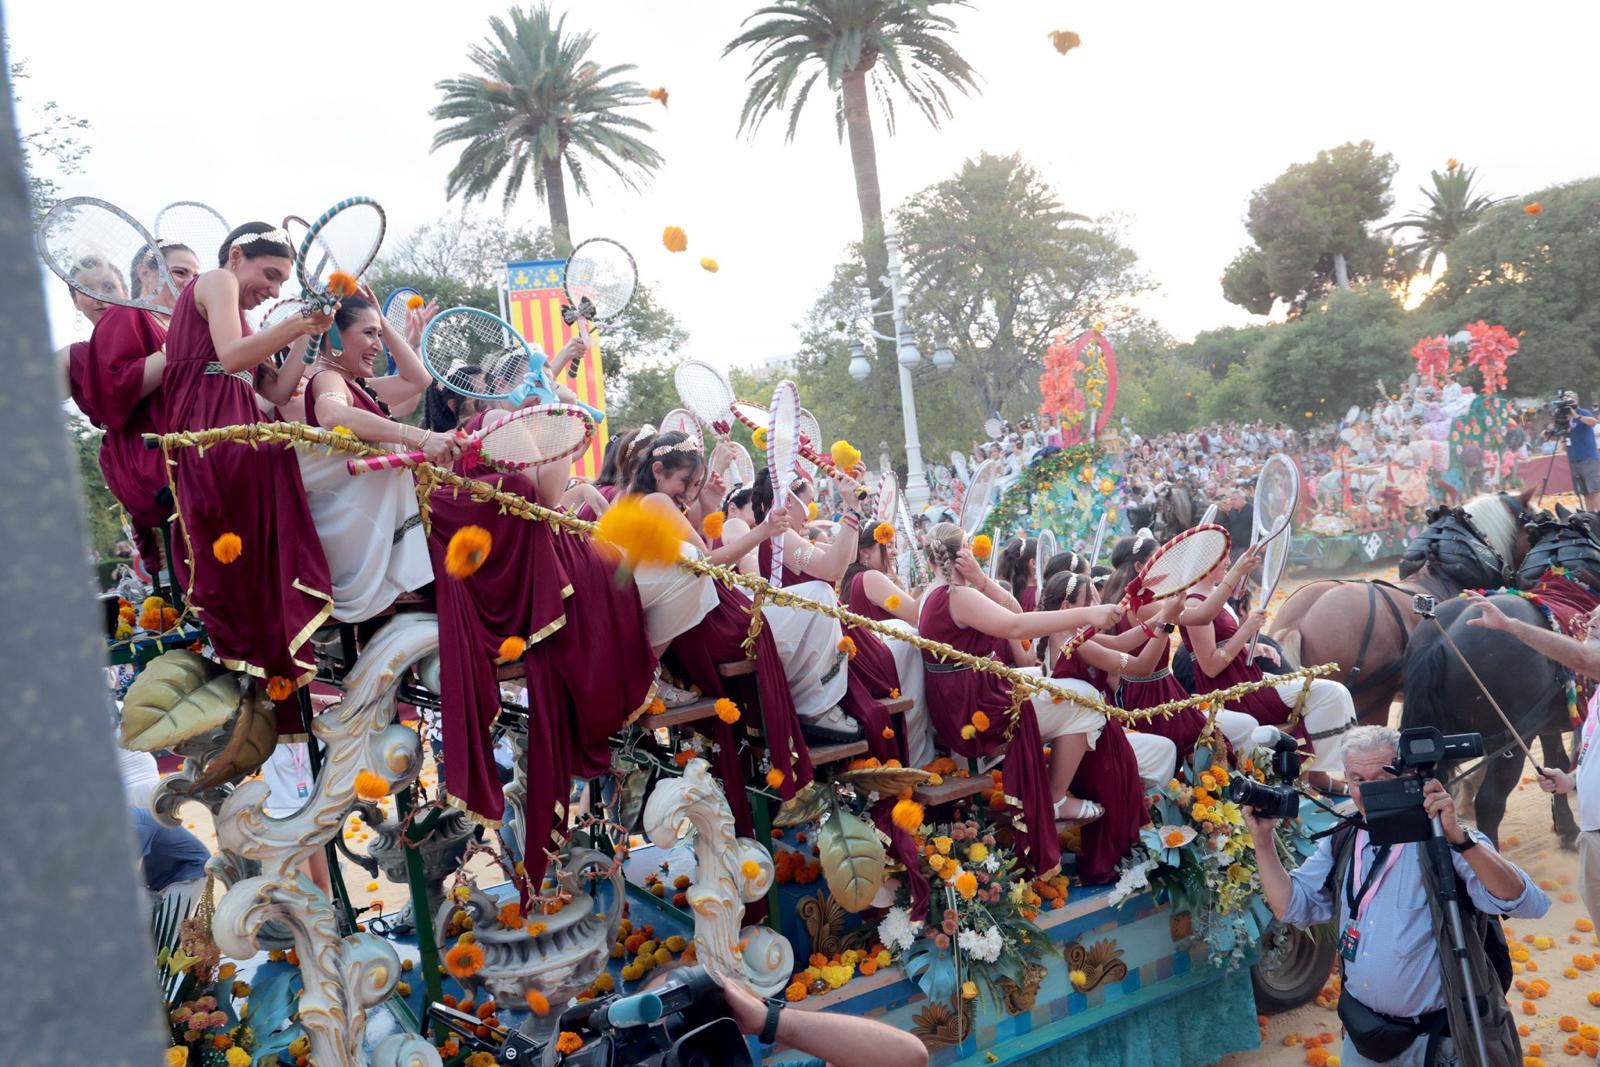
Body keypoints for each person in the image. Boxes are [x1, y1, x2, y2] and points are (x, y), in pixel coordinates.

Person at [1248, 725, 1548, 1066]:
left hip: (1440, 1040)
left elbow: (1529, 903)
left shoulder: (1442, 836)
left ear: (1409, 773)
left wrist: (1460, 839)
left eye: (1381, 776)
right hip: (1367, 1037)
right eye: (1358, 779)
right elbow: (1290, 906)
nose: (1368, 790)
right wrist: (1263, 841)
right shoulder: (1343, 836)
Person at [160, 222, 335, 750]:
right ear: (237, 256)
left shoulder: (239, 317)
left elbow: (279, 388)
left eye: (284, 282)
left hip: (239, 438)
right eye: (270, 275)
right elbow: (235, 359)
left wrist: (305, 334)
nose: (275, 291)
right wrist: (298, 319)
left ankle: (277, 692)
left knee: (266, 578)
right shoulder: (215, 280)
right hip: (214, 443)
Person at [916, 521, 1123, 875]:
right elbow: (1016, 627)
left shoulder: (930, 593)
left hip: (963, 699)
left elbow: (1012, 609)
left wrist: (982, 580)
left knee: (1047, 680)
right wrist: (1089, 613)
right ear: (962, 553)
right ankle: (1055, 796)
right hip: (977, 708)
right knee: (1089, 700)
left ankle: (1055, 789)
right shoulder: (955, 595)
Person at [293, 290, 454, 622]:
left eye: (379, 334)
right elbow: (331, 414)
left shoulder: (358, 385)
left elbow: (418, 379)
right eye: (369, 333)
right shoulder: (329, 378)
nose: (378, 345)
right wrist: (420, 438)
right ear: (336, 334)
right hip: (356, 531)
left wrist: (378, 317)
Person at [69, 241, 203, 580]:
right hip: (153, 455)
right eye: (88, 288)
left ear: (126, 287)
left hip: (190, 436)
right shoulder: (80, 353)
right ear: (74, 298)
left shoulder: (156, 322)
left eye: (109, 287)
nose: (100, 296)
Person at [1468, 594, 1600, 928]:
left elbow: (1583, 658)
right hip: (1592, 832)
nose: (1592, 622)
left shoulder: (1590, 665)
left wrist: (1511, 625)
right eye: (1593, 616)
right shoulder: (1597, 695)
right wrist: (1571, 781)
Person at [1181, 543, 1356, 789]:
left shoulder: (1215, 593)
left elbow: (1225, 642)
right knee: (1331, 693)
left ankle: (1316, 772)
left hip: (1249, 677)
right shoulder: (1193, 605)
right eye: (1222, 558)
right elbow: (1210, 665)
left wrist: (1255, 647)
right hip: (1232, 690)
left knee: (1335, 692)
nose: (1228, 562)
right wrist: (1247, 630)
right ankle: (1311, 775)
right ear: (1204, 563)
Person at [840, 523, 933, 766]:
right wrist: (938, 581)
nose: (893, 552)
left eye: (894, 545)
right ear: (865, 552)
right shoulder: (870, 577)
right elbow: (915, 615)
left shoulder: (854, 579)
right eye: (887, 545)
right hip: (889, 668)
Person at [1560, 391, 1600, 510]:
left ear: (1576, 401)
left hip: (1588, 457)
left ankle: (1598, 515)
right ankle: (1591, 514)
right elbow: (1562, 434)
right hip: (1574, 458)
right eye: (1565, 398)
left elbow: (1594, 422)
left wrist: (1577, 416)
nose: (1567, 400)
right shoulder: (1565, 418)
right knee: (1585, 492)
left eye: (1570, 398)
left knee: (1594, 489)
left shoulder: (1583, 412)